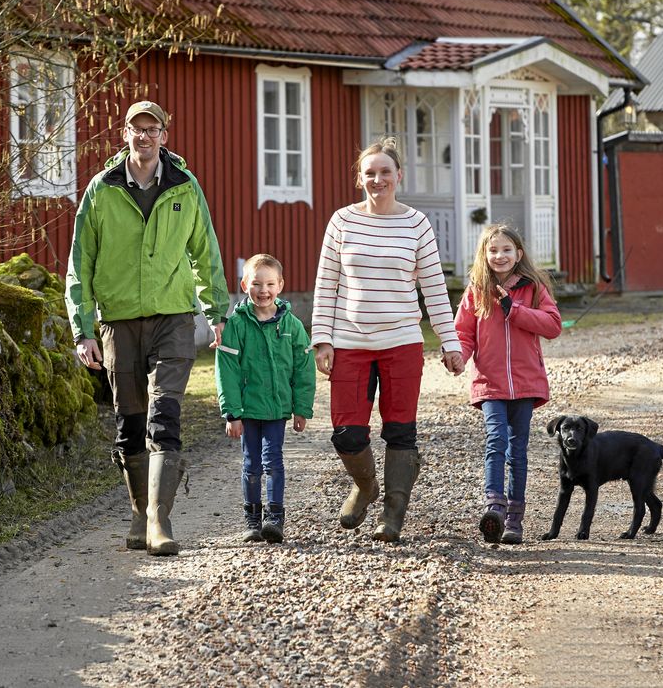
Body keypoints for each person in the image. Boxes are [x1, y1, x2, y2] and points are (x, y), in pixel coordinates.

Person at [65, 100, 229, 556]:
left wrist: (216, 312)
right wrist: (83, 329)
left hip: (173, 317)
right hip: (118, 321)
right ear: (125, 135)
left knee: (164, 416)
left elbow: (205, 250)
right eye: (136, 129)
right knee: (130, 422)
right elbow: (81, 261)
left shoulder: (184, 187)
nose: (144, 136)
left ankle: (160, 520)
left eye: (152, 129)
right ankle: (140, 513)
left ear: (164, 136)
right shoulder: (102, 189)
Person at [311, 137, 464, 543]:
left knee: (400, 431)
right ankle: (365, 487)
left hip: (402, 341)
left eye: (385, 172)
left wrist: (450, 342)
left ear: (399, 176)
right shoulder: (342, 221)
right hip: (350, 340)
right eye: (369, 173)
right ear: (360, 178)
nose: (377, 179)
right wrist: (322, 338)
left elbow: (434, 287)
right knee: (347, 433)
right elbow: (326, 283)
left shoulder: (416, 224)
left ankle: (393, 515)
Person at [454, 224, 561, 544]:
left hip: (526, 383)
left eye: (506, 250)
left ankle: (514, 520)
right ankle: (494, 509)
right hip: (491, 383)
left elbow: (552, 325)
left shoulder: (533, 288)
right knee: (496, 440)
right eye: (493, 250)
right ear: (483, 255)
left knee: (518, 450)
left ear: (518, 254)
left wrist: (514, 310)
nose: (499, 256)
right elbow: (463, 333)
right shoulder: (476, 289)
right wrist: (458, 357)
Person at [215, 254, 315, 544]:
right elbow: (227, 371)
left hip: (275, 410)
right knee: (251, 464)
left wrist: (301, 408)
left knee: (273, 461)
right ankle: (252, 519)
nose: (263, 290)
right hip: (247, 410)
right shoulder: (236, 325)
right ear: (244, 285)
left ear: (280, 285)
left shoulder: (292, 326)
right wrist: (232, 413)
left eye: (270, 284)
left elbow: (303, 369)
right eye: (256, 284)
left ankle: (275, 517)